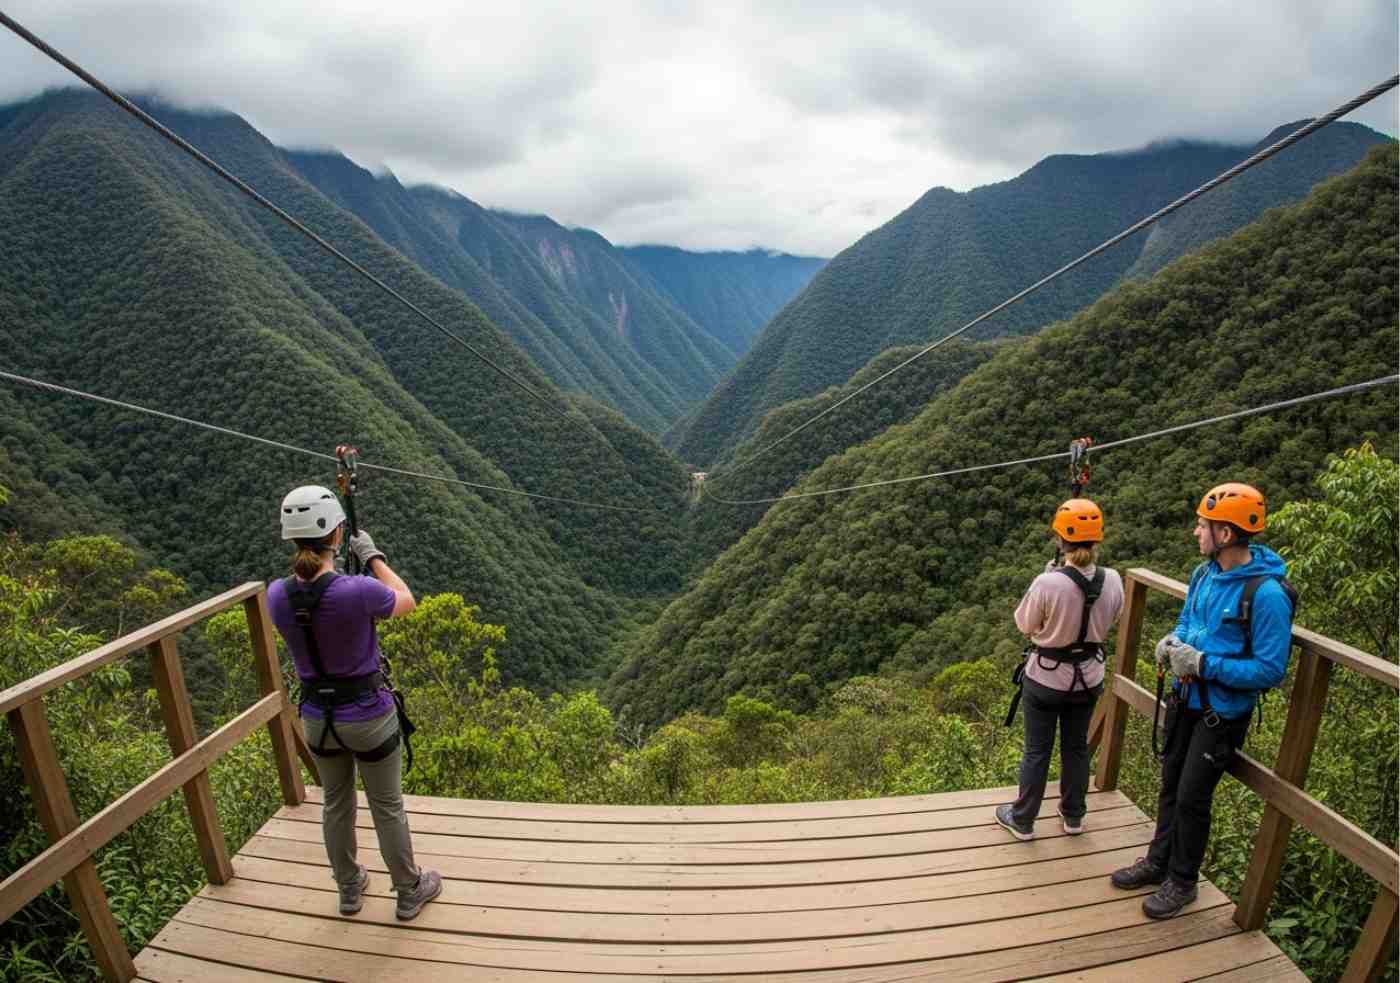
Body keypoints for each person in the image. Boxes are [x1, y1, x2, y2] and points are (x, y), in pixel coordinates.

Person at [1111, 482, 1294, 919]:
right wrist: (1173, 643)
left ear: (1225, 534)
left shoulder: (1266, 595)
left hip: (1221, 713)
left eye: (1202, 525)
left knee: (1194, 796)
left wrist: (1203, 663)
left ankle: (1183, 880)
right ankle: (1158, 862)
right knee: (1171, 784)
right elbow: (1188, 619)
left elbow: (1270, 670)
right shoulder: (1205, 574)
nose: (1196, 532)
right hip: (1185, 699)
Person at [267, 485, 442, 920]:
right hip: (367, 715)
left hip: (316, 718)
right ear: (338, 532)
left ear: (292, 536)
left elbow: (317, 606)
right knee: (387, 806)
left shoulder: (276, 595)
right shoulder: (358, 590)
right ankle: (407, 890)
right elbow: (407, 602)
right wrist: (374, 557)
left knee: (335, 802)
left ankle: (348, 889)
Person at [997, 498, 1125, 841]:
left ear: (1060, 540)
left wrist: (1047, 582)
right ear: (1097, 540)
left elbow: (1024, 624)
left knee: (1037, 750)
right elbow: (1113, 618)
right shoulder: (1113, 580)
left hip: (1047, 677)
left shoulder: (1048, 583)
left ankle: (1023, 819)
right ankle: (1073, 816)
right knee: (1076, 747)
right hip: (1089, 676)